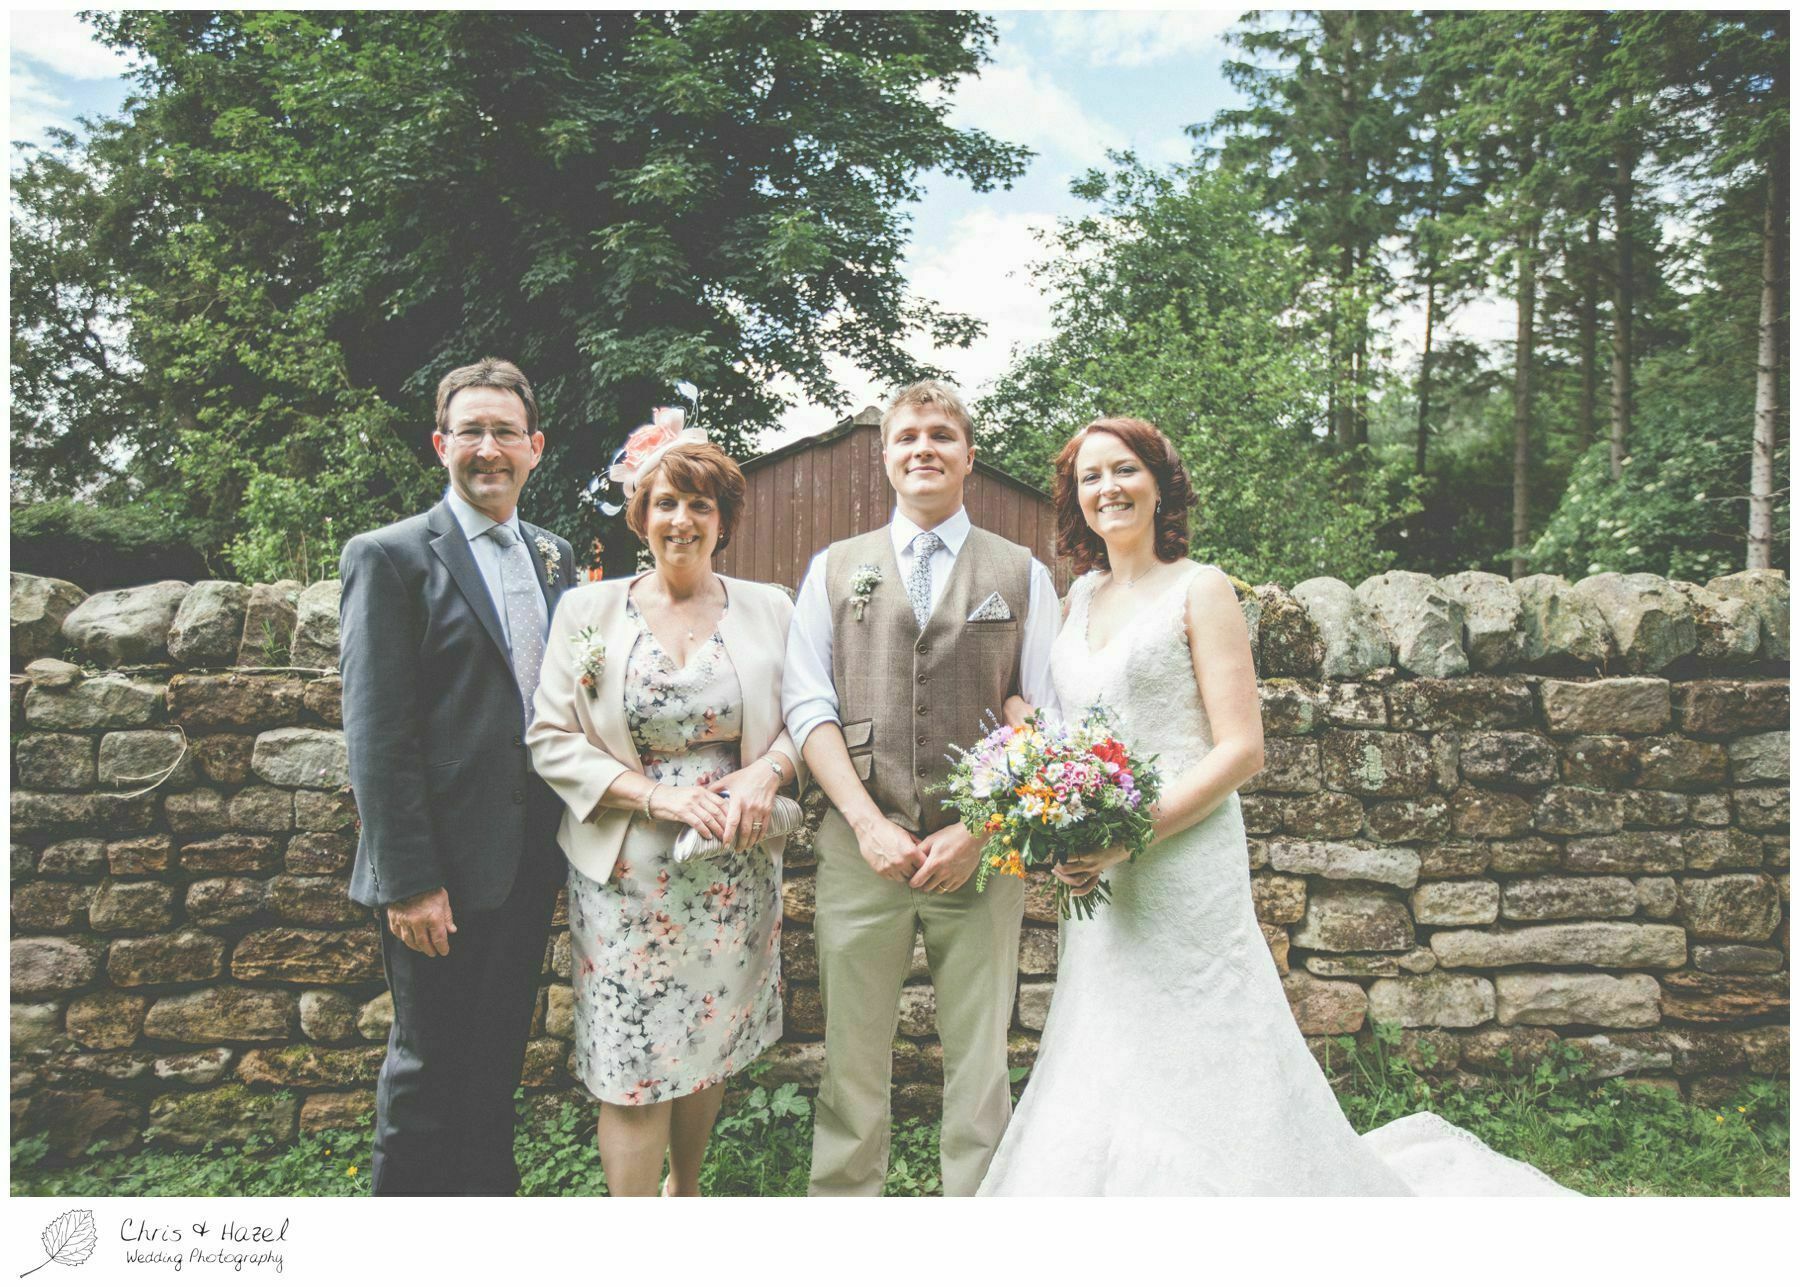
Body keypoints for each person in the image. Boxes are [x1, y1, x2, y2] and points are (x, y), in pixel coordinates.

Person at [977, 417, 1573, 1196]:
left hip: (1181, 859)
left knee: (1203, 1039)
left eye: (1123, 470)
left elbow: (1240, 749)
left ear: (1159, 484)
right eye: (1090, 477)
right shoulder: (1081, 596)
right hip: (1102, 877)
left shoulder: (1202, 587)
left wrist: (1127, 837)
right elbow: (1074, 729)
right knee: (1107, 1039)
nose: (1107, 488)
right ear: (1075, 498)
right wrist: (1044, 781)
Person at [782, 379, 1062, 1197]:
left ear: (968, 455)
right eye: (907, 437)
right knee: (851, 1057)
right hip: (859, 846)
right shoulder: (833, 569)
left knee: (980, 1063)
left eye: (941, 435)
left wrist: (979, 829)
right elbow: (808, 704)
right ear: (886, 458)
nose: (924, 449)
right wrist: (867, 824)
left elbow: (1044, 714)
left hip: (983, 853)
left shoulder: (1021, 571)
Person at [527, 424, 802, 1196]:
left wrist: (767, 774)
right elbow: (549, 739)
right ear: (640, 513)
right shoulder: (586, 610)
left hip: (730, 873)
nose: (683, 518)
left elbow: (806, 717)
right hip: (625, 874)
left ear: (724, 520)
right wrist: (658, 795)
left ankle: (686, 1193)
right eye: (667, 501)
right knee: (631, 1065)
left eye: (701, 504)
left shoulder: (770, 608)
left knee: (706, 1042)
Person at [341, 358, 578, 1195]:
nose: (488, 448)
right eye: (470, 431)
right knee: (425, 1072)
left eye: (504, 431)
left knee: (495, 1068)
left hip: (525, 863)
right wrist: (409, 881)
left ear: (535, 447)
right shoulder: (390, 556)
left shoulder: (555, 557)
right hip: (435, 875)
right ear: (441, 443)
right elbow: (377, 731)